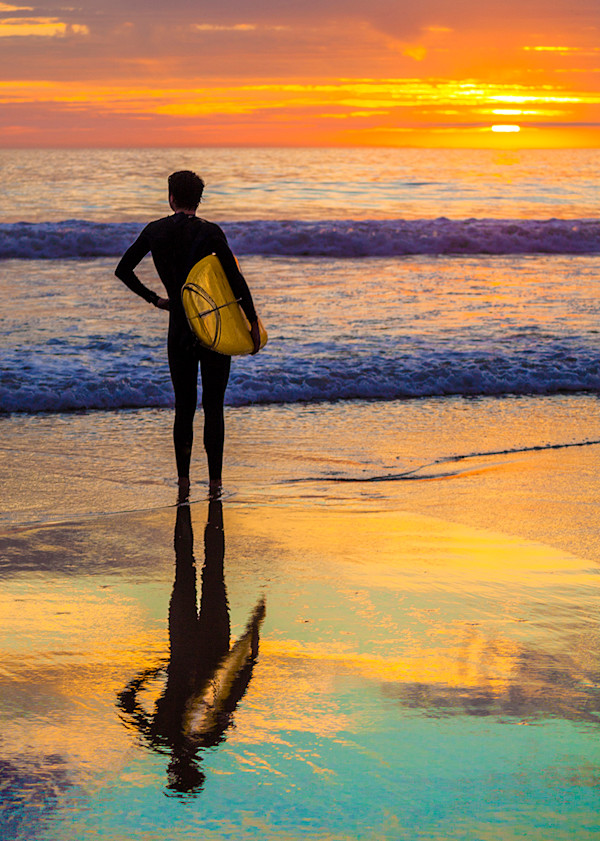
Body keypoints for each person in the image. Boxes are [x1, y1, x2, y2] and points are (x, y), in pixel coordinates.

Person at [115, 170, 261, 500]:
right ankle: (215, 484)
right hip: (212, 328)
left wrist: (156, 299)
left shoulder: (155, 231)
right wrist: (251, 322)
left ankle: (183, 483)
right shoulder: (210, 233)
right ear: (198, 199)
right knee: (214, 406)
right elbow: (235, 280)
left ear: (170, 197)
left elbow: (123, 269)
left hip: (178, 326)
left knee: (184, 406)